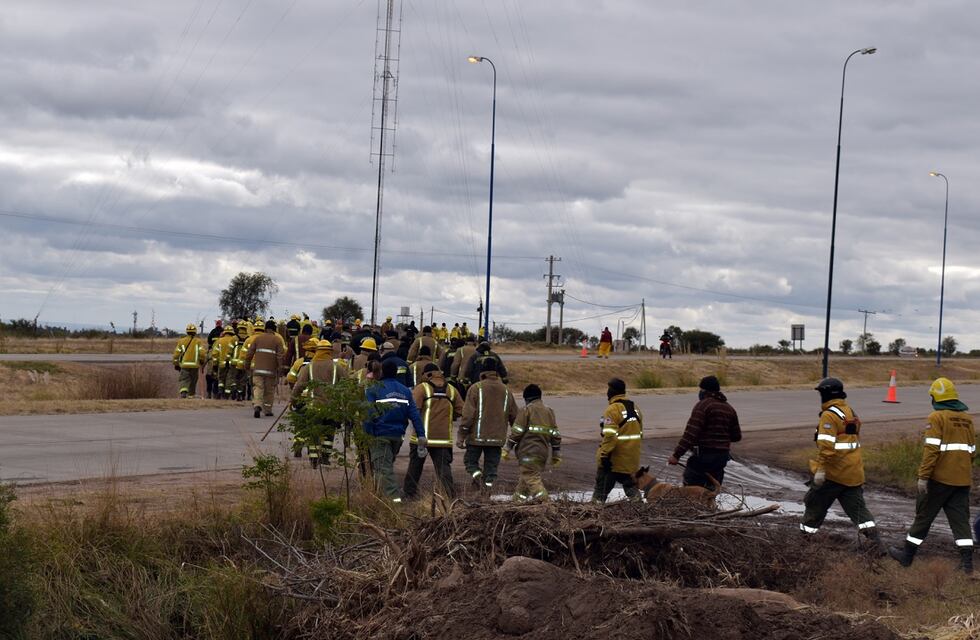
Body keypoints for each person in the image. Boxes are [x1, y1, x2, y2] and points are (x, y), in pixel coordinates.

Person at [889, 377, 976, 573]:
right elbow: (971, 451)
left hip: (940, 480)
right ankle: (967, 564)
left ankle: (907, 556)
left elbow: (931, 451)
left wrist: (923, 476)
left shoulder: (936, 418)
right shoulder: (967, 419)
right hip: (962, 480)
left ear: (936, 397)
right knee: (961, 521)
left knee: (923, 518)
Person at [800, 378, 884, 550]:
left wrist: (821, 470)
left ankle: (803, 543)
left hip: (833, 474)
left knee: (814, 505)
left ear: (826, 394)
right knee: (860, 512)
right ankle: (877, 544)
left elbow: (826, 446)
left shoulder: (829, 415)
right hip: (853, 473)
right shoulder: (849, 411)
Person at [364, 359, 426, 502]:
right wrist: (421, 435)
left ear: (382, 372)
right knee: (385, 468)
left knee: (383, 469)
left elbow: (368, 414)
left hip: (380, 435)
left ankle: (394, 502)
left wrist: (367, 434)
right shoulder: (405, 391)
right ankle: (379, 499)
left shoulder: (374, 389)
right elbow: (415, 415)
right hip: (397, 436)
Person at [668, 375, 741, 487]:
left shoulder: (703, 406)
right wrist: (720, 436)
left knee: (691, 488)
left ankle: (694, 504)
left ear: (704, 390)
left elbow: (690, 433)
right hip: (721, 457)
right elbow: (736, 436)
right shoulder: (729, 408)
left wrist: (676, 455)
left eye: (701, 389)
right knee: (711, 490)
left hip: (704, 455)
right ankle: (709, 504)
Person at [404, 363, 463, 500]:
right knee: (443, 469)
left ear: (427, 374)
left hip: (421, 438)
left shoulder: (421, 388)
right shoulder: (452, 390)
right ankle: (449, 496)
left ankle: (409, 494)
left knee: (415, 467)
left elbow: (412, 410)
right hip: (442, 439)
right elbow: (461, 410)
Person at [457, 359, 518, 491]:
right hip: (497, 439)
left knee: (470, 462)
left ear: (482, 372)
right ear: (496, 373)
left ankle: (477, 476)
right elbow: (514, 416)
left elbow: (468, 415)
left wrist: (461, 436)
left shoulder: (476, 388)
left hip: (476, 438)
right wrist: (517, 438)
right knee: (491, 469)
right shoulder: (506, 391)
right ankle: (487, 491)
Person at [291, 339, 349, 468]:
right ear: (329, 352)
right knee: (329, 433)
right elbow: (348, 384)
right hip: (332, 408)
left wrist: (293, 399)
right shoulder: (337, 367)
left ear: (317, 351)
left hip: (313, 408)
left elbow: (299, 385)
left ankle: (313, 459)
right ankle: (325, 457)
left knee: (314, 434)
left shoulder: (309, 367)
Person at [504, 384, 561, 502]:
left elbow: (517, 432)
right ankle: (517, 502)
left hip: (528, 452)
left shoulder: (526, 410)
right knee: (525, 483)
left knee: (531, 477)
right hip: (542, 454)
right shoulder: (549, 411)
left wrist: (507, 448)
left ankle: (546, 503)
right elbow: (555, 434)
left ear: (527, 399)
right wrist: (556, 454)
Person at [593, 378, 642, 502]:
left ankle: (593, 516)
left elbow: (610, 436)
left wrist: (604, 455)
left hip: (613, 462)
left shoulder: (612, 410)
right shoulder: (635, 408)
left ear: (612, 391)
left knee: (599, 495)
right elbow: (640, 433)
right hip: (631, 461)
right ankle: (642, 515)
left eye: (609, 389)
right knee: (633, 493)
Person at [243, 320, 285, 418]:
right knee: (269, 391)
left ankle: (257, 405)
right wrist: (280, 369)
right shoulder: (277, 340)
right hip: (271, 371)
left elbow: (249, 354)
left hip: (257, 370)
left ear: (265, 329)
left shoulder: (257, 339)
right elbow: (280, 357)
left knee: (258, 388)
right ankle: (268, 410)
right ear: (274, 329)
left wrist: (247, 366)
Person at [173, 323, 207, 398]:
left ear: (187, 332)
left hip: (184, 365)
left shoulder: (181, 341)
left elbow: (176, 354)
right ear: (195, 332)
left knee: (184, 379)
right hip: (195, 366)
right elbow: (202, 353)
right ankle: (191, 395)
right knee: (193, 381)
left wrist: (176, 364)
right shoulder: (198, 341)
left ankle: (183, 392)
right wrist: (202, 360)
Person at [211, 324, 238, 399]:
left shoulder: (219, 341)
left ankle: (220, 390)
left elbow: (215, 354)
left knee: (221, 378)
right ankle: (227, 394)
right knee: (230, 378)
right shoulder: (234, 340)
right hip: (231, 363)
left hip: (221, 364)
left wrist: (215, 364)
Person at [205, 320, 224, 398]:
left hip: (211, 353)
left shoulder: (212, 332)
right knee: (218, 378)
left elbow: (209, 341)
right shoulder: (223, 331)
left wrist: (202, 366)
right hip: (221, 354)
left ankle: (209, 393)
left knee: (209, 376)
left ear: (216, 324)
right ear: (221, 324)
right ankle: (216, 394)